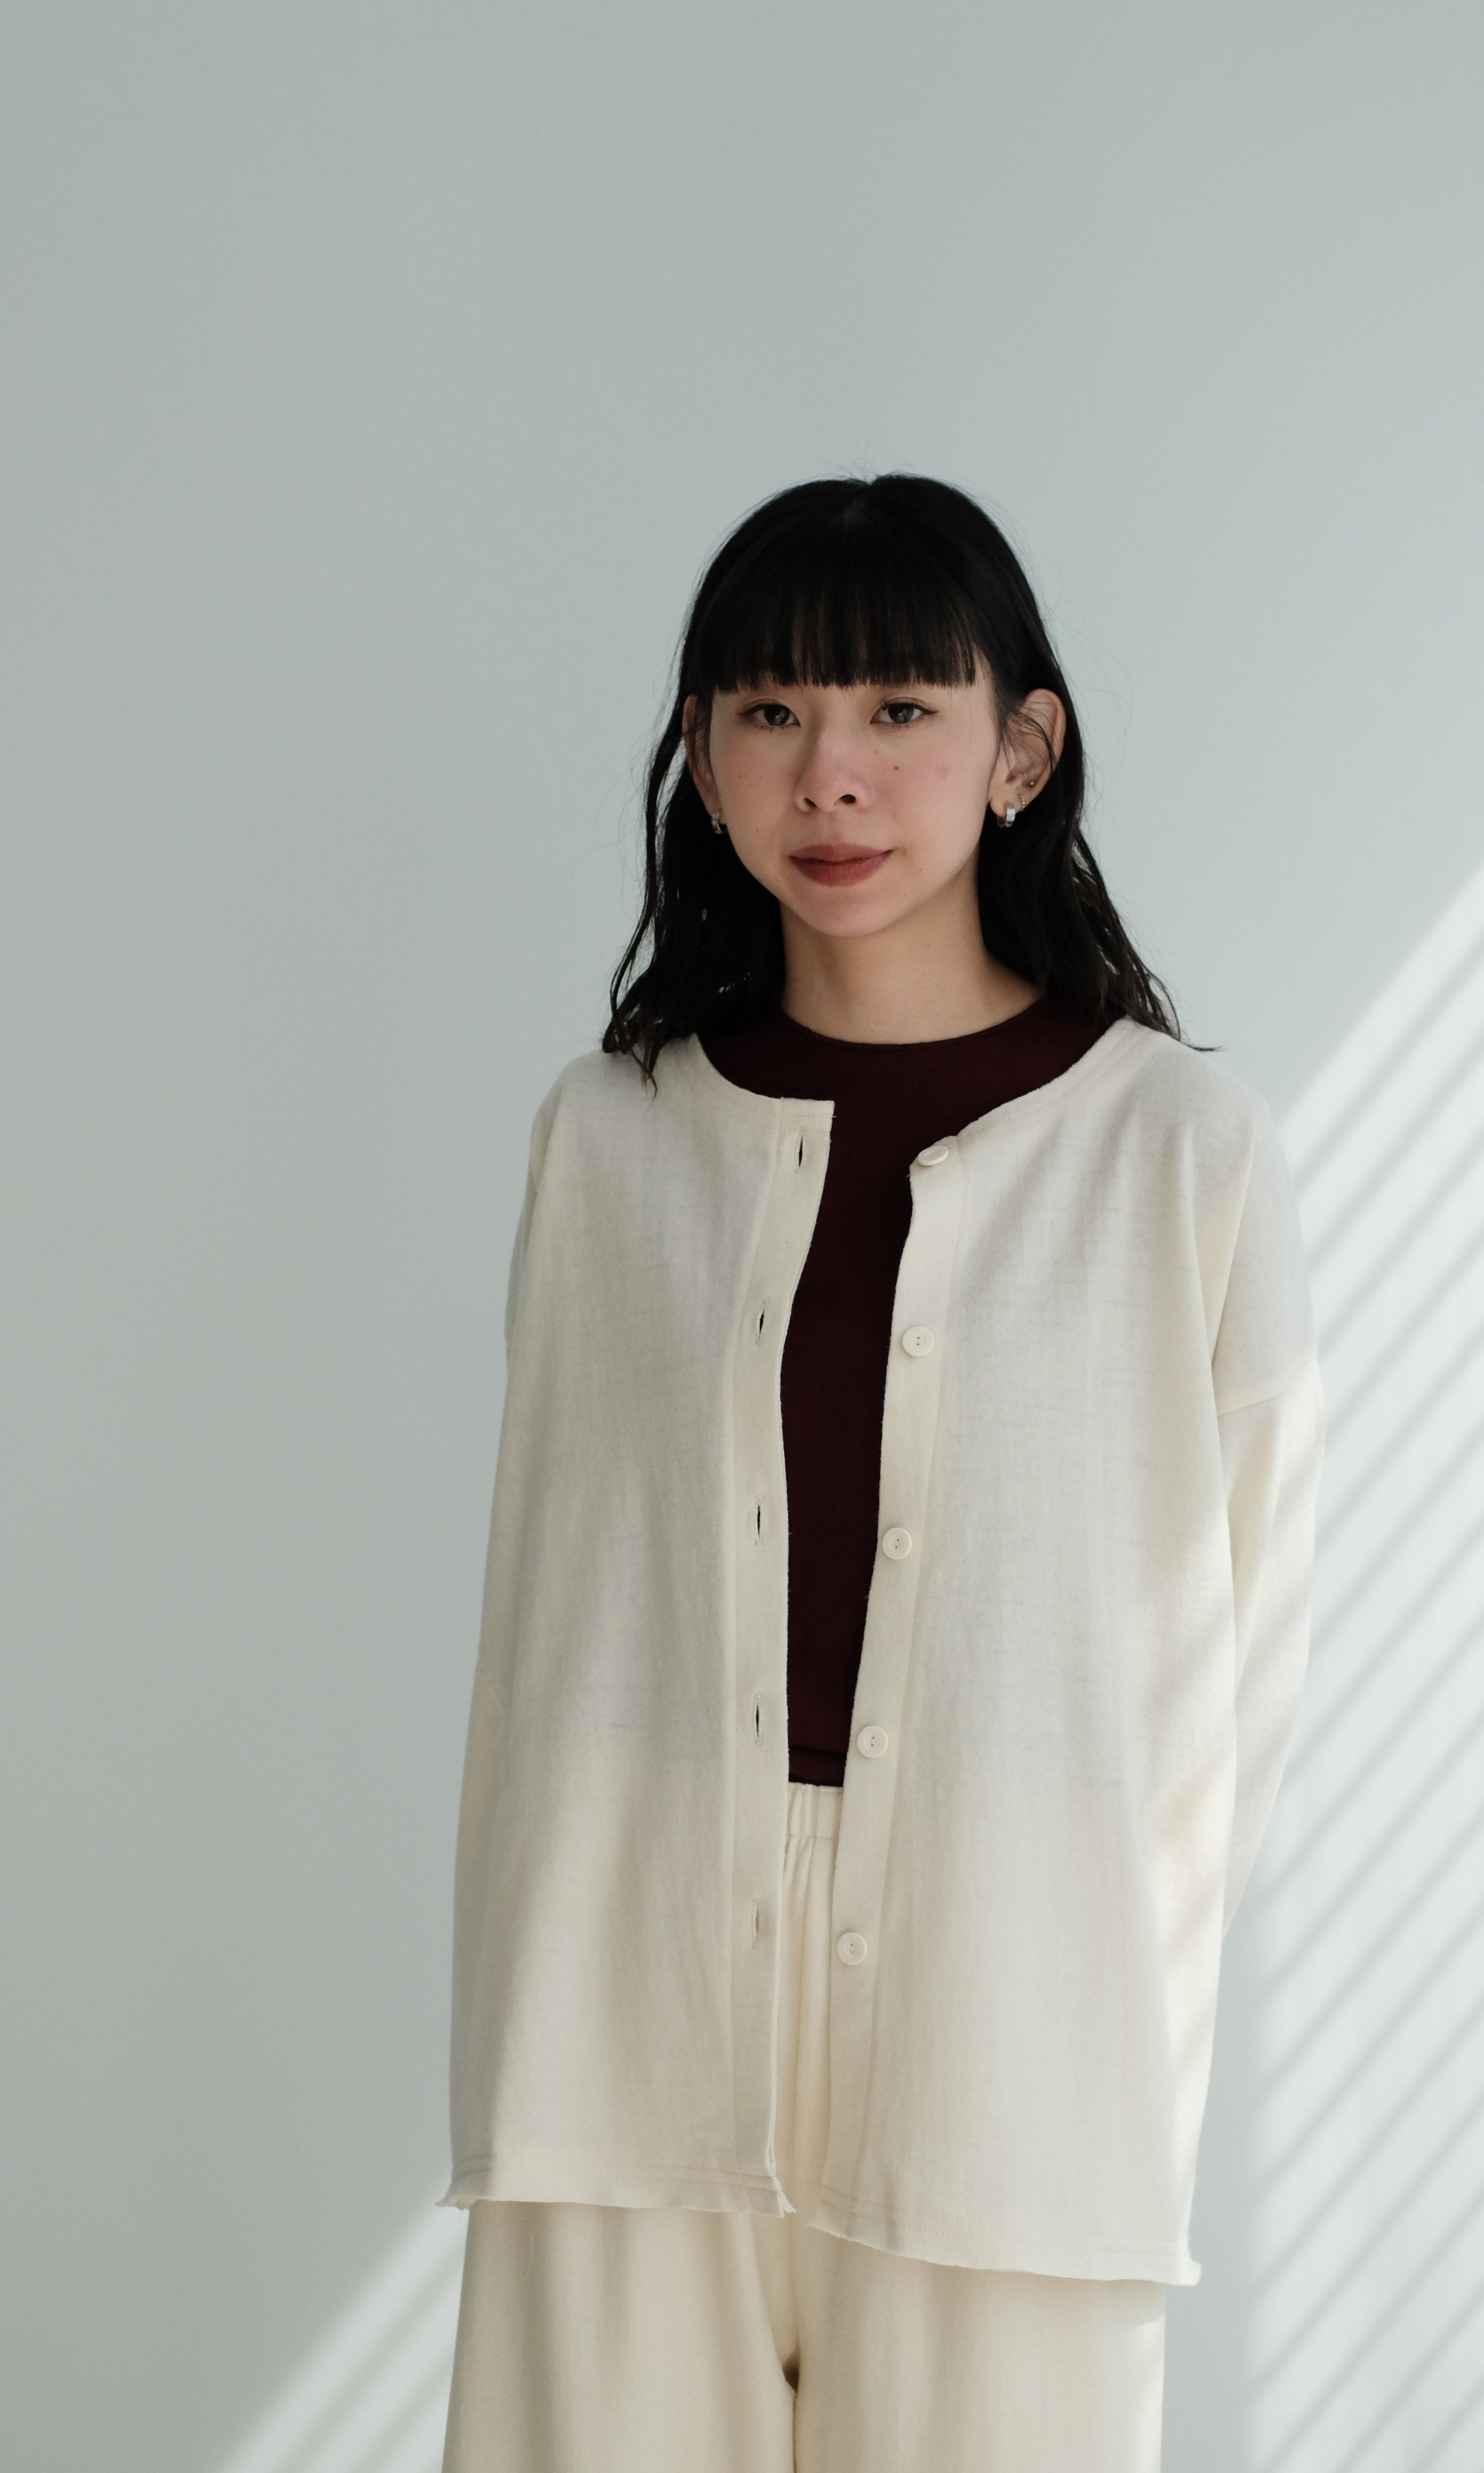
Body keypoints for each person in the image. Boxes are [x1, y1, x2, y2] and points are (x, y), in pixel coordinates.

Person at [440, 474, 1325, 2472]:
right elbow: (537, 1612)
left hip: (1015, 1990)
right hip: (625, 1965)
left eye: (899, 710)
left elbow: (1239, 1667)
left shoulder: (1179, 1152)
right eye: (769, 712)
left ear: (1024, 747)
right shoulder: (609, 1137)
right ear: (703, 758)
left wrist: (1117, 2009)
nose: (829, 776)